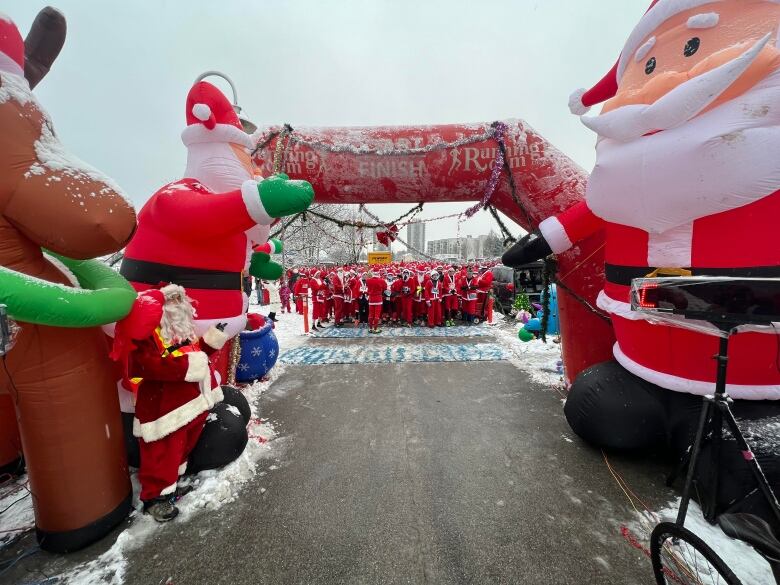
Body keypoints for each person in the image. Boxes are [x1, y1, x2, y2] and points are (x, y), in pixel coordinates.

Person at [126, 285, 229, 522]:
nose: (177, 305)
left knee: (180, 449)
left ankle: (170, 487)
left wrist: (212, 339)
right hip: (163, 408)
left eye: (179, 300)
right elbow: (145, 366)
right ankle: (155, 498)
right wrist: (187, 367)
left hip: (191, 403)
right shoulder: (146, 335)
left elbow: (196, 355)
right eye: (171, 301)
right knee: (161, 452)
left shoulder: (181, 330)